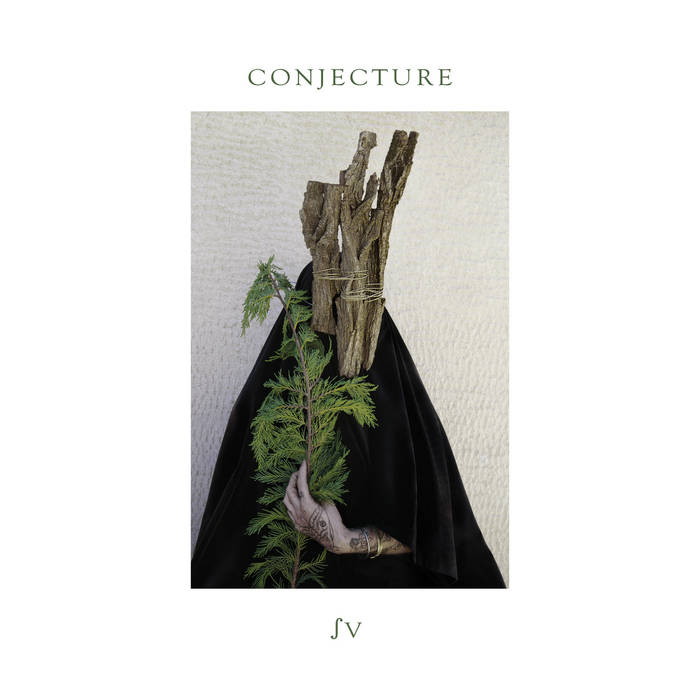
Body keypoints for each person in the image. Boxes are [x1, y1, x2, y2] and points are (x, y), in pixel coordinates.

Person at [191, 261, 506, 588]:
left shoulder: (400, 410)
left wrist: (344, 540)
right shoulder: (270, 411)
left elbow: (442, 542)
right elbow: (233, 543)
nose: (338, 335)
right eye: (324, 313)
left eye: (352, 317)